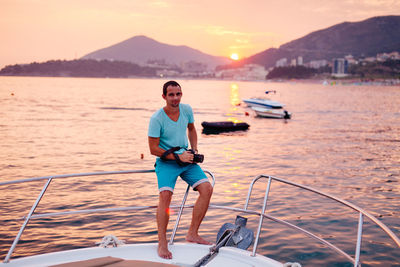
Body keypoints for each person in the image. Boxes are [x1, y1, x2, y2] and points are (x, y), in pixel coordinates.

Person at [148, 80, 213, 259]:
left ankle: (192, 233)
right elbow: (153, 149)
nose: (175, 98)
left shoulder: (186, 110)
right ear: (164, 96)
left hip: (186, 158)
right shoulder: (156, 118)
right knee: (166, 196)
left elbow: (192, 129)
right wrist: (177, 156)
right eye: (171, 95)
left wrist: (194, 150)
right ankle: (162, 243)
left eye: (178, 94)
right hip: (166, 161)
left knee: (207, 188)